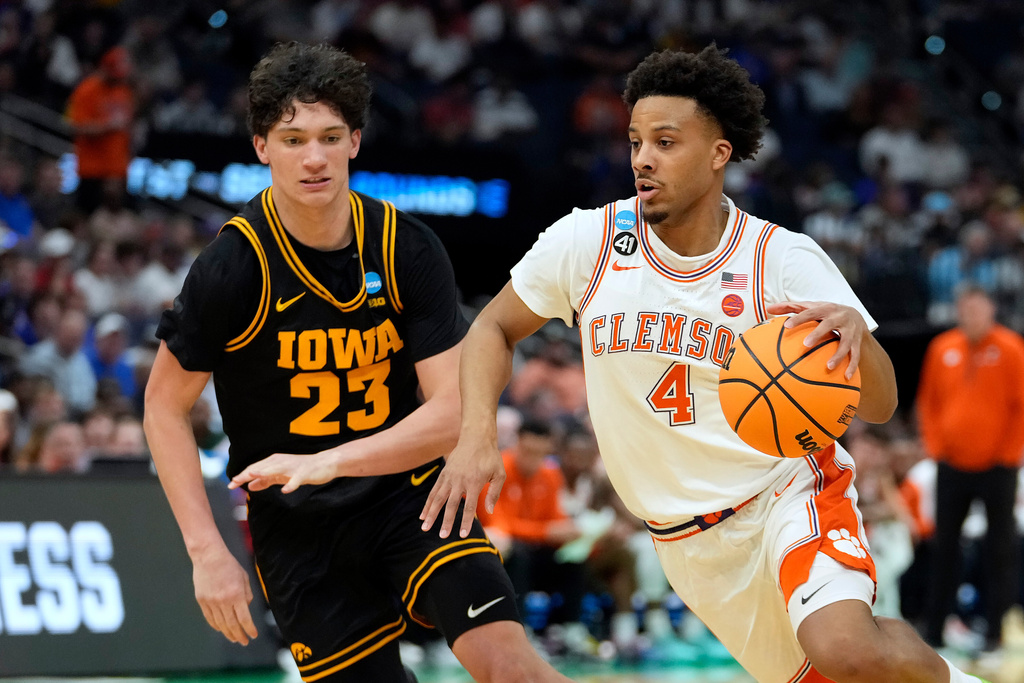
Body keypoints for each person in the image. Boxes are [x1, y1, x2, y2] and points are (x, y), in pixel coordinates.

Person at [421, 45, 987, 683]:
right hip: (684, 538)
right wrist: (475, 437)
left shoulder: (783, 259)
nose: (642, 158)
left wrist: (858, 334)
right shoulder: (588, 243)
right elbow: (492, 325)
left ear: (719, 154)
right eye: (636, 140)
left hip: (786, 494)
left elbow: (879, 403)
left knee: (846, 650)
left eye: (666, 142)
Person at [143, 42, 571, 683]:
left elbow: (452, 412)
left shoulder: (405, 246)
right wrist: (208, 552)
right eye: (292, 139)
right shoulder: (233, 267)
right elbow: (163, 408)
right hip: (299, 532)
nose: (313, 157)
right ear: (262, 147)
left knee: (511, 666)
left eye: (329, 136)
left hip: (412, 498)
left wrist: (327, 462)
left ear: (356, 141)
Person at [916, 284, 1024, 654]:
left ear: (991, 310)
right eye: (965, 311)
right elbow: (927, 402)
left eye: (977, 310)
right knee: (944, 547)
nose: (971, 317)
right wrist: (935, 447)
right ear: (958, 312)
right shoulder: (941, 347)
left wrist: (1008, 455)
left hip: (998, 468)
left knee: (1000, 549)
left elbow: (1021, 405)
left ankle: (994, 631)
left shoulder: (1011, 348)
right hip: (951, 466)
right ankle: (935, 630)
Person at [65, 45, 134, 214]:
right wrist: (107, 126)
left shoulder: (123, 90)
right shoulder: (86, 90)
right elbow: (75, 126)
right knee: (88, 216)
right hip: (92, 169)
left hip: (117, 168)